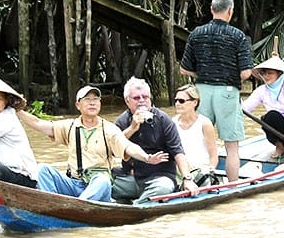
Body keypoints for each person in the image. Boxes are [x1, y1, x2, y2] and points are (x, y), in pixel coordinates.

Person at [16, 85, 168, 202]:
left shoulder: (108, 129)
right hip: (74, 183)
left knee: (103, 180)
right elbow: (38, 123)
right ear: (78, 105)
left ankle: (78, 208)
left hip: (97, 186)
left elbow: (129, 147)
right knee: (43, 169)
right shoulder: (69, 126)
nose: (92, 103)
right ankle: (50, 204)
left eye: (95, 100)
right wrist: (17, 110)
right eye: (87, 100)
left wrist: (147, 158)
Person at [180, 0, 254, 182]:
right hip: (228, 93)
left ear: (212, 10)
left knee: (200, 140)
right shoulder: (238, 36)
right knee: (231, 147)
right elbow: (246, 73)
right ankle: (232, 187)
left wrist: (203, 74)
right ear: (230, 11)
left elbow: (184, 69)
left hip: (200, 92)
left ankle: (193, 180)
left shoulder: (196, 33)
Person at [112, 77, 200, 203]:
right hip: (131, 178)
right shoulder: (122, 121)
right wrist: (132, 128)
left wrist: (187, 179)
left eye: (145, 97)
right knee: (104, 183)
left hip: (159, 178)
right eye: (137, 98)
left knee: (164, 188)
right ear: (127, 101)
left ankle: (136, 207)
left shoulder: (163, 120)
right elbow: (112, 149)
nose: (142, 101)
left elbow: (178, 152)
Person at [172, 84, 219, 186]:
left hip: (200, 170)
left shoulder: (205, 123)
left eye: (181, 101)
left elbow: (213, 156)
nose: (177, 104)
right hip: (181, 170)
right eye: (175, 101)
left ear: (194, 102)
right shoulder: (172, 123)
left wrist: (210, 172)